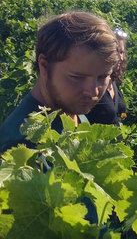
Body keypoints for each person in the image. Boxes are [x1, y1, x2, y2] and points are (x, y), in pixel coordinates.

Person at [0, 12, 119, 153]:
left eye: (102, 77)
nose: (93, 92)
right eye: (77, 77)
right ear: (44, 65)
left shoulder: (71, 111)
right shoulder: (20, 147)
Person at [86, 27, 128, 126]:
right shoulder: (93, 84)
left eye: (122, 52)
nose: (121, 57)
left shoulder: (113, 82)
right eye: (117, 52)